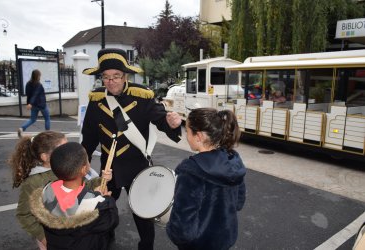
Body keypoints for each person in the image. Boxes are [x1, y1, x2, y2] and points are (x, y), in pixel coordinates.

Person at [81, 48, 182, 250]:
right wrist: (82, 162)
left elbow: (160, 118)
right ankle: (106, 242)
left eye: (116, 76)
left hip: (136, 165)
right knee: (103, 209)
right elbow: (90, 135)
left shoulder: (142, 95)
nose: (111, 82)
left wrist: (172, 124)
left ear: (125, 75)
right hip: (108, 168)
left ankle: (146, 246)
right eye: (106, 77)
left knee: (142, 214)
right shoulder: (96, 99)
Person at [166, 108, 247, 250]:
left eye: (187, 131)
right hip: (224, 240)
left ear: (198, 136)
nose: (186, 136)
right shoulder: (233, 161)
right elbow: (238, 203)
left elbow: (182, 229)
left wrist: (171, 230)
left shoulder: (191, 171)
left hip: (199, 244)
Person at [30, 142, 118, 250]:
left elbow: (74, 194)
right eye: (87, 159)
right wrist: (106, 199)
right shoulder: (98, 205)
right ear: (84, 169)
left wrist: (98, 188)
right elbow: (112, 220)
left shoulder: (46, 191)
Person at [8, 131, 68, 249]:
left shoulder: (65, 168)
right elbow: (24, 214)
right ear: (45, 157)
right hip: (50, 235)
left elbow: (83, 184)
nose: (69, 153)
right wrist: (43, 237)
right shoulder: (33, 182)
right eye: (63, 150)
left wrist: (97, 182)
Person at [18, 69, 51, 138]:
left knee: (32, 119)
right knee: (47, 118)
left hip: (33, 105)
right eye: (39, 75)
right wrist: (30, 103)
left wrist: (29, 103)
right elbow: (35, 95)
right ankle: (47, 133)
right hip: (41, 105)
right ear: (37, 76)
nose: (40, 77)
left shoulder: (28, 84)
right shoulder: (38, 85)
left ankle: (22, 128)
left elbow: (28, 95)